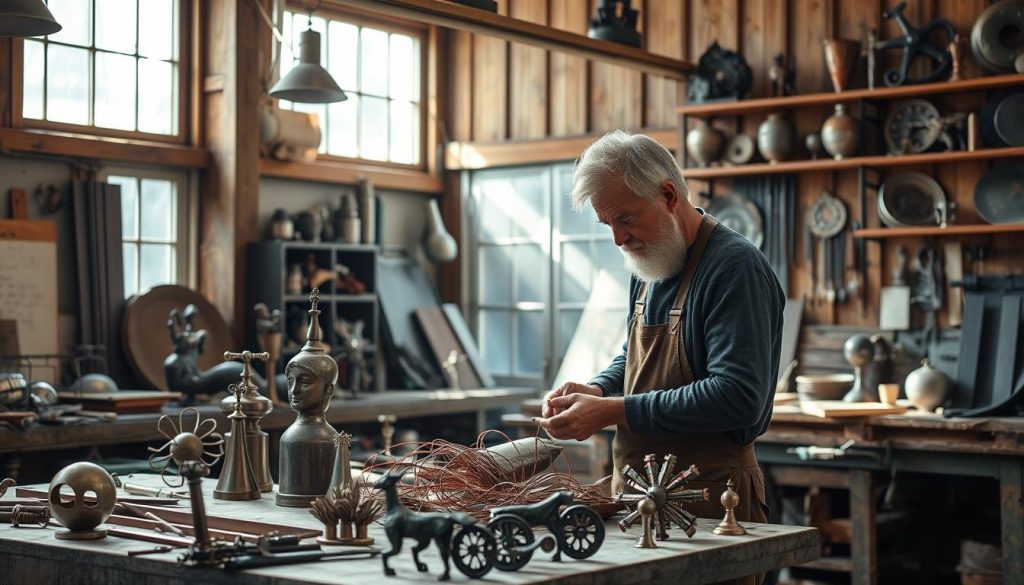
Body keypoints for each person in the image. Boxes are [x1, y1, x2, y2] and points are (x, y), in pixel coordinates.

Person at [536, 131, 784, 582]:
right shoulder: (650, 260)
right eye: (606, 223)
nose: (617, 238)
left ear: (668, 195)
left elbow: (737, 397)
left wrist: (612, 411)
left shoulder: (734, 268)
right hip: (638, 494)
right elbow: (634, 357)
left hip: (709, 503)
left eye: (625, 218)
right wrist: (597, 389)